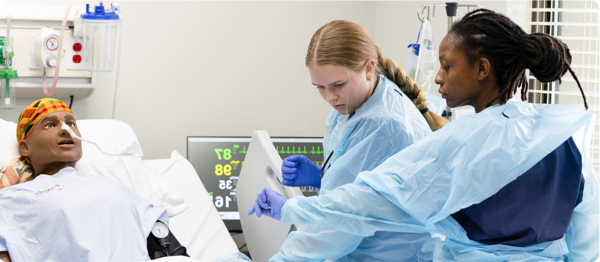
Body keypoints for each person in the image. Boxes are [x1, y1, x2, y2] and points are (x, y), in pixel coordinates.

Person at [249, 9, 600, 261]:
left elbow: (371, 203)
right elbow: (585, 235)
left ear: (482, 69)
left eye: (447, 65)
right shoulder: (563, 137)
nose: (436, 77)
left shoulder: (463, 144)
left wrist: (293, 209)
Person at [253, 20, 447, 261]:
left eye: (338, 85)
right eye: (320, 87)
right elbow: (363, 191)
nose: (329, 97)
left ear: (369, 68)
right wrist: (322, 177)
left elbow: (340, 224)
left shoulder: (383, 125)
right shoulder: (356, 105)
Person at [0, 98, 188, 262]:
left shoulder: (113, 186)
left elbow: (168, 248)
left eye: (71, 123)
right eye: (50, 125)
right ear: (25, 148)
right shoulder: (12, 198)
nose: (66, 130)